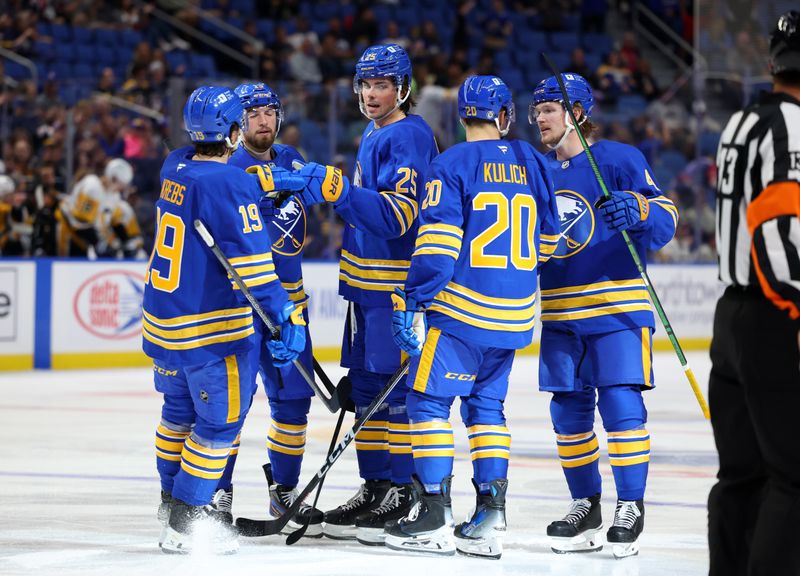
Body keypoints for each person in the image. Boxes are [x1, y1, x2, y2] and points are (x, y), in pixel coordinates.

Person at [384, 75, 559, 558]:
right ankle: (489, 515)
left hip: (462, 312)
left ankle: (434, 513)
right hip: (516, 316)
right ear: (503, 116)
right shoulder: (533, 161)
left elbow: (438, 249)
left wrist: (415, 299)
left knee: (427, 404)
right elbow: (549, 242)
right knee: (486, 408)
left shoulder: (450, 162)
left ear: (463, 116)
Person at [142, 85, 306, 554]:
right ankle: (187, 519)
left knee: (177, 416)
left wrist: (267, 183)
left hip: (163, 326)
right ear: (235, 130)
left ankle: (169, 500)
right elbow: (257, 271)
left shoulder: (174, 165)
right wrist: (285, 318)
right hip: (211, 331)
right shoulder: (230, 185)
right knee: (219, 425)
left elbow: (209, 186)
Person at [290, 43, 438, 545]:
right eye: (366, 85)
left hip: (392, 292)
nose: (372, 95)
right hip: (365, 289)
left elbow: (400, 215)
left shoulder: (409, 135)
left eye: (382, 85)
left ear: (403, 89)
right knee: (369, 392)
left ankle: (404, 489)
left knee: (395, 397)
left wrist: (340, 194)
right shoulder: (375, 132)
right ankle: (377, 486)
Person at [530, 73, 678, 559]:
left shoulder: (619, 158)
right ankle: (585, 505)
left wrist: (638, 208)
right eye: (537, 109)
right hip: (560, 313)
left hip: (617, 308)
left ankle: (629, 506)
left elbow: (666, 219)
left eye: (549, 108)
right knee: (567, 414)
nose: (540, 118)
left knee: (620, 407)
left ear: (576, 113)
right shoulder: (540, 171)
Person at [708, 11, 800, 576]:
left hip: (731, 317)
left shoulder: (742, 121)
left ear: (772, 62)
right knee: (792, 475)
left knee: (741, 475)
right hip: (773, 313)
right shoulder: (793, 127)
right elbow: (776, 228)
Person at [220, 81, 323, 537]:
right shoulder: (225, 166)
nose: (263, 120)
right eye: (253, 112)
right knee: (229, 409)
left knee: (293, 405)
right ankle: (216, 493)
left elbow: (321, 198)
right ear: (238, 122)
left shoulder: (294, 158)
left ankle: (283, 488)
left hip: (291, 309)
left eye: (269, 111)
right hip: (240, 309)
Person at [56, 158, 134, 259]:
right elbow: (81, 222)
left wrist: (125, 241)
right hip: (71, 235)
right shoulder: (92, 187)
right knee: (65, 269)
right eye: (121, 184)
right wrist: (99, 244)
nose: (121, 189)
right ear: (113, 178)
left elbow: (114, 220)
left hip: (87, 239)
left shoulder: (113, 195)